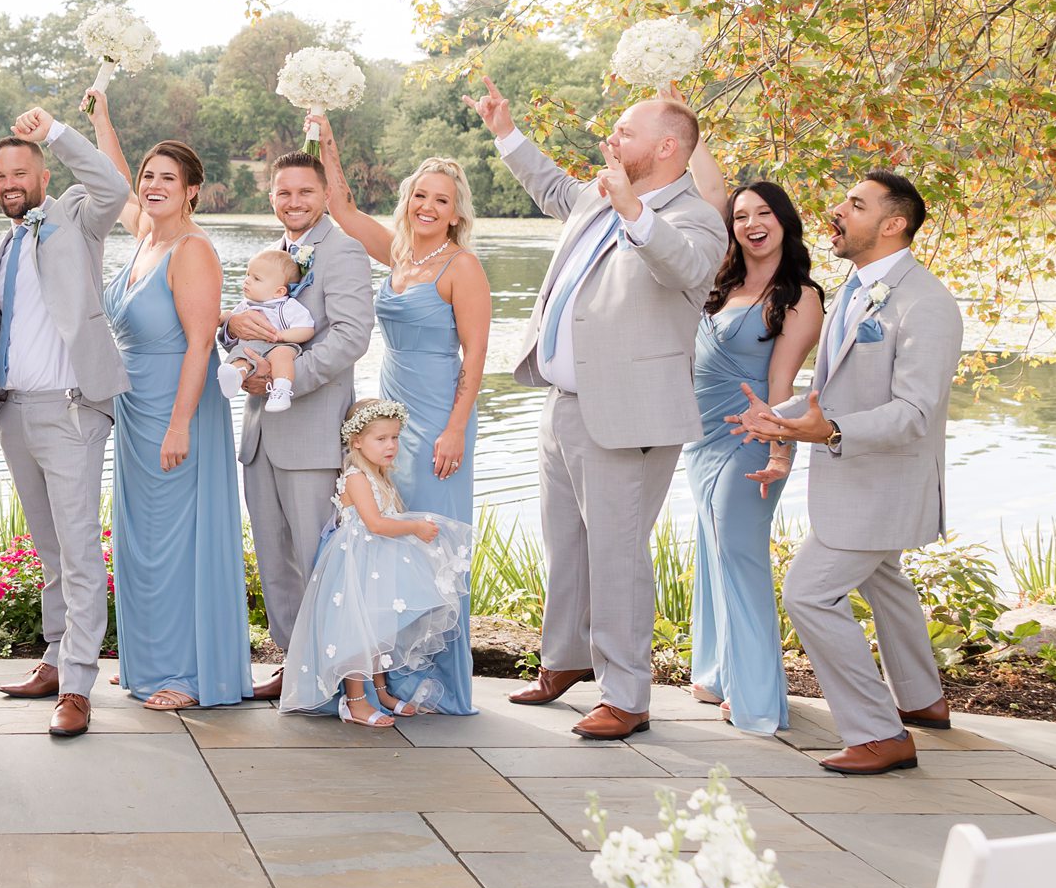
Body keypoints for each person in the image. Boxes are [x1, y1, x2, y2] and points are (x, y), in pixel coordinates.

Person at [466, 76, 725, 739]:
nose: (614, 139)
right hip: (564, 405)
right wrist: (505, 131)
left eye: (628, 132)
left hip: (628, 414)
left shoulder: (692, 217)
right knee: (568, 545)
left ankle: (627, 696)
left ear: (667, 147)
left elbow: (687, 269)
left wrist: (634, 208)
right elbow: (551, 186)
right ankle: (565, 661)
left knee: (616, 553)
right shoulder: (599, 199)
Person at [732, 171, 961, 775]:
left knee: (809, 594)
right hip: (858, 482)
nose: (837, 211)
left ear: (893, 225)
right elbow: (832, 391)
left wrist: (829, 433)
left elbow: (914, 413)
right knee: (885, 580)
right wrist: (779, 418)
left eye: (855, 205)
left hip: (882, 487)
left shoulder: (926, 303)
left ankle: (879, 733)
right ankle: (922, 700)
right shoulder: (858, 287)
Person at [310, 114, 492, 716]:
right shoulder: (395, 252)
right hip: (389, 415)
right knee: (384, 546)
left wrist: (455, 428)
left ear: (457, 213)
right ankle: (386, 678)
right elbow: (338, 206)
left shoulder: (461, 268)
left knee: (431, 547)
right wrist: (328, 133)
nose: (427, 206)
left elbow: (477, 356)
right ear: (408, 200)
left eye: (441, 200)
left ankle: (436, 683)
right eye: (420, 195)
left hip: (438, 419)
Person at [0, 101, 131, 740]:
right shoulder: (6, 240)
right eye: (0, 177)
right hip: (15, 410)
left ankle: (77, 685)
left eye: (21, 173)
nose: (11, 185)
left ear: (42, 176)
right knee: (48, 546)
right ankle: (53, 654)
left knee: (77, 548)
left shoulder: (77, 217)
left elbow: (114, 187)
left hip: (71, 410)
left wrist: (59, 134)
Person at [96, 128, 252, 711]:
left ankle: (188, 674)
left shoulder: (192, 250)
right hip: (134, 408)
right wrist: (100, 119)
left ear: (191, 192)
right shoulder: (144, 235)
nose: (153, 186)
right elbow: (116, 177)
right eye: (148, 176)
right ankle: (148, 658)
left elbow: (198, 346)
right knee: (141, 542)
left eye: (168, 178)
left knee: (176, 542)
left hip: (176, 407)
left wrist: (180, 424)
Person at [678, 123, 823, 736]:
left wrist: (781, 450)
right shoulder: (722, 282)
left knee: (740, 555)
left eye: (764, 212)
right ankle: (717, 671)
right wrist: (684, 121)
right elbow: (708, 188)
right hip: (699, 437)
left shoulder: (800, 296)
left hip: (750, 437)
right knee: (712, 550)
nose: (750, 223)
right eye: (741, 215)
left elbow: (784, 388)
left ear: (784, 222)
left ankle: (757, 693)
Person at [226, 145, 375, 701]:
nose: (294, 201)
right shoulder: (272, 256)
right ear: (272, 197)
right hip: (260, 433)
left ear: (325, 196)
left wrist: (288, 379)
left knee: (320, 560)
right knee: (273, 557)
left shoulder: (345, 251)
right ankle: (294, 666)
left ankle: (333, 674)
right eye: (284, 192)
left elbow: (351, 336)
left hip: (311, 431)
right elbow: (254, 320)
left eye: (305, 191)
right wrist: (231, 333)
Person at [279, 400, 474, 727]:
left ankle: (381, 692)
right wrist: (416, 527)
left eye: (395, 438)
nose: (391, 446)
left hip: (377, 563)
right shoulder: (356, 477)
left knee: (378, 629)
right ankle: (355, 702)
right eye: (381, 439)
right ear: (357, 441)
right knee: (357, 633)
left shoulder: (380, 474)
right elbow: (376, 524)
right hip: (356, 563)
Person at [215, 250, 316, 410]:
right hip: (251, 348)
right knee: (241, 357)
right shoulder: (246, 305)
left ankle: (281, 390)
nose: (247, 281)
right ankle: (235, 376)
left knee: (282, 356)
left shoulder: (286, 305)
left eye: (256, 278)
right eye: (248, 274)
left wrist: (281, 335)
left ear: (279, 291)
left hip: (278, 345)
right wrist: (221, 319)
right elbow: (230, 317)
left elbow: (307, 329)